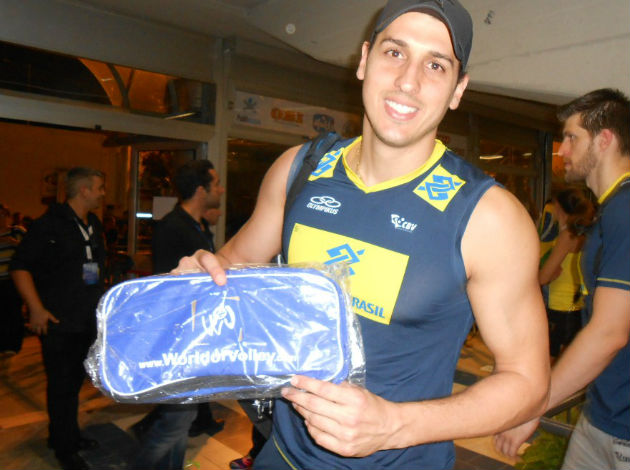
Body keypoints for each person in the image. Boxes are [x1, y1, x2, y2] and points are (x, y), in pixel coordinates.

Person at [175, 1, 550, 469]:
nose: (408, 81)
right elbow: (231, 266)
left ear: (458, 90)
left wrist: (394, 425)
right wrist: (200, 275)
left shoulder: (487, 217)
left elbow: (528, 382)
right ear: (365, 60)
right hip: (282, 455)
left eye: (436, 65)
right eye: (395, 53)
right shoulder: (298, 170)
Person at [494, 88, 630, 469]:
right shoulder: (611, 210)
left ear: (604, 140)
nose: (562, 151)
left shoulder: (625, 211)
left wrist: (534, 405)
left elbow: (609, 332)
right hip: (602, 414)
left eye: (572, 138)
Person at [129, 159, 225, 470]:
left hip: (193, 332)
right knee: (175, 422)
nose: (222, 190)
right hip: (177, 336)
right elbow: (166, 289)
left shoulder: (197, 225)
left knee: (180, 421)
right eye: (216, 184)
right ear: (201, 190)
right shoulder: (173, 227)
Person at [10, 167, 106, 470]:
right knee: (61, 386)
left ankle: (65, 435)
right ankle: (65, 448)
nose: (103, 193)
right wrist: (35, 308)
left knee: (74, 384)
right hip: (58, 321)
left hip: (86, 319)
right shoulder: (48, 225)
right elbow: (20, 267)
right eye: (100, 188)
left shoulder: (93, 223)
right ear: (84, 190)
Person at [539, 188, 595, 358]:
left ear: (559, 208)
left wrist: (543, 273)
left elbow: (543, 278)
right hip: (576, 306)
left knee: (552, 363)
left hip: (560, 307)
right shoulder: (583, 234)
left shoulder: (567, 236)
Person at [0, 204, 25, 355]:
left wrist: (14, 243)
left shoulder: (17, 231)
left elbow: (31, 249)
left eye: (2, 215)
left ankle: (13, 345)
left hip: (12, 279)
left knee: (13, 312)